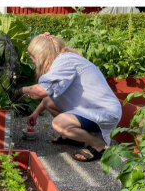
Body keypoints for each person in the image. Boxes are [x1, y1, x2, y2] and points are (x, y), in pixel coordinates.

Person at [18, 33, 122, 162]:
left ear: (41, 56)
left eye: (33, 58)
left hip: (104, 112)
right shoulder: (64, 59)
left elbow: (41, 91)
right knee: (49, 102)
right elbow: (47, 97)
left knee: (59, 124)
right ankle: (75, 138)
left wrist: (20, 90)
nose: (34, 61)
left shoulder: (65, 62)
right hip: (91, 109)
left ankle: (98, 145)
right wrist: (35, 113)